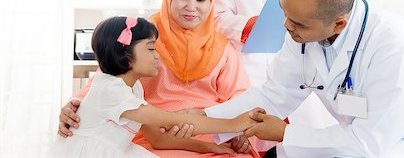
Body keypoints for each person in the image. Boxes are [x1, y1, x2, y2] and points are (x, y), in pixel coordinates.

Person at [204, 0, 404, 157]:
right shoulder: (302, 34)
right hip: (352, 137)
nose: (286, 26)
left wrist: (286, 133)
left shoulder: (393, 47)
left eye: (297, 23)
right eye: (285, 13)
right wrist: (207, 117)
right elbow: (274, 94)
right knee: (279, 154)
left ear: (338, 24)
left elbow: (368, 144)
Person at [58, 0, 260, 157]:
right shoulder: (142, 35)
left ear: (211, 2)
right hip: (153, 128)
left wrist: (235, 131)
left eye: (200, 0)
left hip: (211, 131)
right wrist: (76, 105)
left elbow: (240, 96)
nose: (191, 7)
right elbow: (109, 76)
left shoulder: (222, 45)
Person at [49, 16, 258, 157]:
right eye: (150, 48)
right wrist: (235, 124)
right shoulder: (110, 90)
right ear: (125, 55)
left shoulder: (135, 88)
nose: (157, 55)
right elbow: (171, 121)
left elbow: (158, 139)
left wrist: (211, 147)